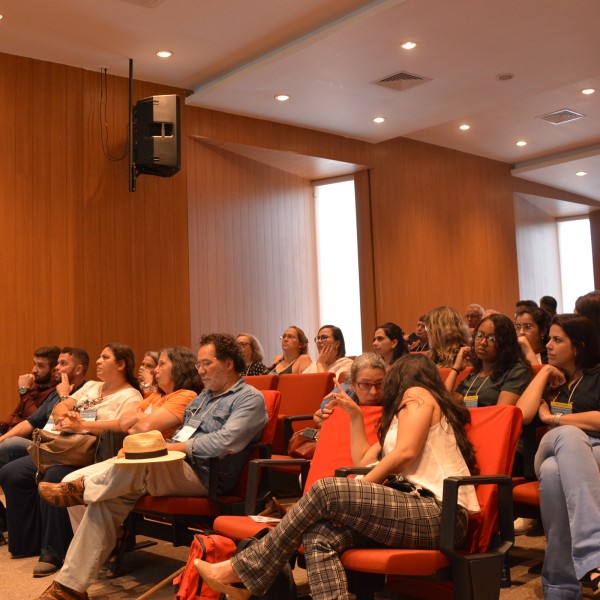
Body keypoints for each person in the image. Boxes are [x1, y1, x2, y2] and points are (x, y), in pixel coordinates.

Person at [194, 354, 480, 600]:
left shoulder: (417, 394)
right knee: (320, 535)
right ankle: (251, 571)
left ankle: (244, 569)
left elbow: (404, 453)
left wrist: (356, 488)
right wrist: (356, 416)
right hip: (412, 511)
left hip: (440, 514)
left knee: (327, 490)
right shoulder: (399, 419)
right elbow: (363, 461)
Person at [34, 334, 268, 600]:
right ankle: (70, 587)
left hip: (205, 475)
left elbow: (227, 441)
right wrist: (168, 446)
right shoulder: (204, 397)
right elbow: (176, 433)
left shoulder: (249, 399)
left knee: (142, 462)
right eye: (199, 364)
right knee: (106, 502)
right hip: (172, 465)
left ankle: (81, 489)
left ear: (228, 363)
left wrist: (176, 448)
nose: (199, 370)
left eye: (206, 363)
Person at [0, 343, 142, 577]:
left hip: (92, 453)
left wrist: (82, 424)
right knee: (12, 473)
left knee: (55, 476)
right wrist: (66, 413)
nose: (97, 360)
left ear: (120, 364)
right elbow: (61, 404)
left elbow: (121, 426)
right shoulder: (93, 388)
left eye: (104, 357)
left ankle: (55, 551)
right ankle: (27, 542)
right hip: (63, 447)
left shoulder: (130, 396)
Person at [514, 314, 600, 599]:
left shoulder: (597, 376)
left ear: (579, 346)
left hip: (593, 454)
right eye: (548, 338)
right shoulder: (551, 380)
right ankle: (593, 552)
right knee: (570, 437)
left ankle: (560, 587)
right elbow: (524, 414)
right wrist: (542, 373)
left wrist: (555, 419)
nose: (547, 344)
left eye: (557, 340)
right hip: (552, 445)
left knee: (553, 474)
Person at [0, 347, 88, 547]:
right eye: (57, 363)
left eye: (62, 364)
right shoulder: (54, 393)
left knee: (10, 446)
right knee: (9, 468)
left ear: (78, 369)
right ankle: (20, 539)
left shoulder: (84, 391)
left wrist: (26, 392)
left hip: (62, 447)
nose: (58, 368)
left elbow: (68, 424)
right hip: (44, 442)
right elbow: (30, 420)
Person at [446, 313, 531, 407]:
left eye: (492, 338)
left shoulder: (517, 371)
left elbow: (501, 413)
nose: (482, 342)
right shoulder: (474, 374)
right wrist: (455, 369)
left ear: (505, 343)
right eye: (479, 335)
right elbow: (445, 405)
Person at [313, 353, 386, 428]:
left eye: (379, 384)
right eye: (365, 384)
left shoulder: (394, 400)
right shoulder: (342, 399)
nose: (373, 392)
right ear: (352, 384)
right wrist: (331, 424)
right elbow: (317, 416)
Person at [0, 346, 60, 435]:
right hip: (10, 433)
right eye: (34, 364)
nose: (34, 370)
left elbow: (36, 420)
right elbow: (15, 414)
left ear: (54, 369)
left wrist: (24, 391)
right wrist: (2, 427)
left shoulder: (57, 392)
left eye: (40, 366)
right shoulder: (34, 386)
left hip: (26, 437)